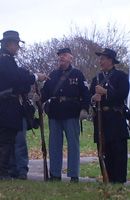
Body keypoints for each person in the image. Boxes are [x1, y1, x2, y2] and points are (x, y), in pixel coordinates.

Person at [0, 30, 48, 180]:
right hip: (6, 104)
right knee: (6, 138)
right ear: (9, 43)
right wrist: (35, 77)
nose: (18, 47)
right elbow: (16, 78)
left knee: (3, 138)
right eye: (16, 44)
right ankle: (2, 172)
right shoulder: (5, 59)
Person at [40, 47, 91, 183]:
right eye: (60, 55)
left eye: (64, 55)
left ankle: (74, 174)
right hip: (55, 112)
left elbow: (86, 93)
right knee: (55, 145)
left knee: (73, 145)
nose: (61, 57)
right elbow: (45, 93)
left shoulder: (78, 74)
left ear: (70, 57)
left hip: (71, 112)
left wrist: (84, 109)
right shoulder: (53, 74)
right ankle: (55, 174)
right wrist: (38, 99)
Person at [90, 48, 130, 184]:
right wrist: (94, 98)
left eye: (103, 58)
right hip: (101, 119)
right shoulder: (97, 78)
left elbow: (122, 94)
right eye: (100, 58)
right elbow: (90, 96)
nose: (100, 61)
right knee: (104, 150)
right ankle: (107, 179)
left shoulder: (121, 76)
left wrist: (105, 92)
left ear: (110, 61)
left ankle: (118, 181)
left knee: (118, 152)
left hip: (116, 119)